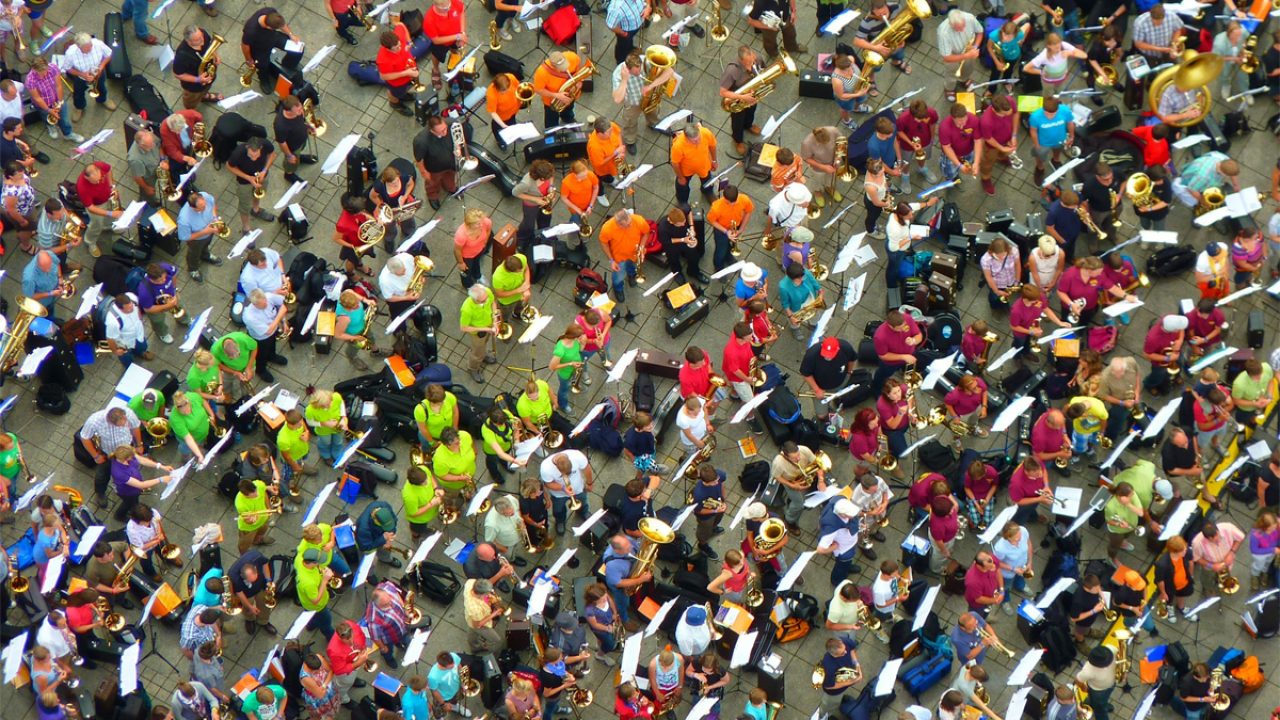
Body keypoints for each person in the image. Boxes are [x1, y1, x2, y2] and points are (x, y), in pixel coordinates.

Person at [611, 49, 668, 155]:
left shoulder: (645, 61)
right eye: (635, 72)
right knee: (630, 122)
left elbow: (669, 72)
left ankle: (655, 124)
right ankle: (630, 141)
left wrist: (651, 86)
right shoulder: (618, 74)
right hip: (633, 102)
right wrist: (624, 80)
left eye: (639, 70)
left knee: (654, 112)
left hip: (649, 96)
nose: (638, 73)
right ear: (628, 69)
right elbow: (617, 99)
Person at [598, 209, 649, 322]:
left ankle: (632, 275)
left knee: (632, 267)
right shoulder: (608, 228)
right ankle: (618, 288)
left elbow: (646, 233)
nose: (630, 226)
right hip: (619, 258)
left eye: (630, 223)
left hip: (634, 254)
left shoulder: (637, 220)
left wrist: (641, 247)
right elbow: (603, 242)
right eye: (627, 225)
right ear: (619, 224)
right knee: (618, 277)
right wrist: (611, 261)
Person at [25, 57, 84, 143]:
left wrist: (59, 102)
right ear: (34, 70)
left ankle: (68, 134)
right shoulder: (30, 80)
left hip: (57, 100)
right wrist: (49, 110)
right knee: (46, 116)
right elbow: (37, 98)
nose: (44, 74)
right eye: (41, 73)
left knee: (64, 118)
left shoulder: (53, 68)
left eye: (45, 71)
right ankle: (50, 126)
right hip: (43, 104)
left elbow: (58, 86)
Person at [720, 46, 764, 157]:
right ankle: (738, 140)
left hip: (752, 94)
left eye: (752, 61)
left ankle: (748, 125)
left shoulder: (757, 58)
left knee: (751, 111)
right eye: (747, 64)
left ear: (753, 54)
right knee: (737, 121)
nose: (750, 66)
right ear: (740, 60)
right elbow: (723, 92)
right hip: (737, 99)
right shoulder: (732, 70)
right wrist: (743, 97)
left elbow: (762, 72)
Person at [63, 33, 117, 120]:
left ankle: (103, 99)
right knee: (78, 93)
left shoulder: (98, 44)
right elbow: (67, 68)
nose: (90, 49)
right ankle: (79, 108)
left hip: (98, 73)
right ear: (78, 47)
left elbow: (109, 54)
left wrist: (101, 66)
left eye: (90, 46)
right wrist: (82, 74)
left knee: (102, 87)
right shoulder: (70, 53)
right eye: (87, 48)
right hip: (81, 77)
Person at [176, 190, 226, 283]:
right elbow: (184, 237)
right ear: (192, 208)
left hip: (210, 230)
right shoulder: (184, 219)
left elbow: (213, 205)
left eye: (204, 205)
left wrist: (214, 218)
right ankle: (193, 269)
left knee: (206, 244)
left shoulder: (205, 196)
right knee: (194, 254)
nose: (204, 208)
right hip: (196, 240)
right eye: (201, 208)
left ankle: (205, 255)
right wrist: (205, 231)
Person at [602, 535, 650, 629]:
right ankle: (625, 620)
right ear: (617, 551)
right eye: (627, 548)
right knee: (623, 603)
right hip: (620, 588)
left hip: (630, 571)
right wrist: (640, 580)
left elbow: (637, 547)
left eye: (629, 544)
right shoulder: (612, 566)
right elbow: (618, 583)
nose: (631, 547)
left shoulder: (627, 540)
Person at [540, 449, 593, 536]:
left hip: (578, 489)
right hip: (559, 495)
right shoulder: (546, 468)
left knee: (583, 501)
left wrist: (590, 483)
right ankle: (560, 521)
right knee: (558, 510)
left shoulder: (576, 455)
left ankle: (584, 512)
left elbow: (586, 468)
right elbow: (548, 484)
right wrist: (563, 488)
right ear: (557, 466)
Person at [375, 19, 418, 115]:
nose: (400, 48)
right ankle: (395, 103)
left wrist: (409, 41)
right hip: (398, 82)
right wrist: (406, 73)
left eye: (399, 45)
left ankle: (403, 95)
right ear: (387, 48)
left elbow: (401, 25)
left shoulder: (397, 37)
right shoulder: (383, 60)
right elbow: (384, 76)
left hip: (409, 69)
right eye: (396, 48)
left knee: (405, 89)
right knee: (394, 93)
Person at [976, 94, 1017, 196]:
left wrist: (1014, 135)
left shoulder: (1009, 101)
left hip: (1007, 138)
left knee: (1004, 153)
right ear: (995, 110)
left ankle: (1001, 158)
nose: (1008, 114)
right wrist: (1001, 148)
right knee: (987, 162)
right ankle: (985, 177)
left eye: (1009, 112)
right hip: (991, 146)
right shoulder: (986, 121)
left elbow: (1016, 114)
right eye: (1004, 114)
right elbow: (988, 138)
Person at [421, 0, 466, 91]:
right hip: (441, 42)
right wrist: (457, 36)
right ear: (436, 5)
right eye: (445, 8)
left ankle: (454, 64)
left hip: (456, 37)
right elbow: (436, 40)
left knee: (455, 52)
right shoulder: (429, 20)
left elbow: (461, 12)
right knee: (437, 55)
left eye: (449, 5)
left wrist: (462, 32)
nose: (449, 9)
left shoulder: (454, 2)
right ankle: (436, 70)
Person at [533, 50, 584, 128]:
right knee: (551, 118)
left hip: (570, 94)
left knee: (569, 109)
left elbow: (579, 70)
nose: (565, 69)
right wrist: (556, 95)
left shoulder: (572, 57)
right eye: (561, 68)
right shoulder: (541, 73)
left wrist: (579, 81)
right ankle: (552, 130)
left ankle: (568, 119)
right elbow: (538, 90)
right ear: (553, 66)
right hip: (552, 101)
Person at [1190, 521, 1244, 593]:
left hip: (1227, 564)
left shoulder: (1228, 528)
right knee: (1207, 579)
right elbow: (1197, 558)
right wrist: (1212, 566)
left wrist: (1231, 552)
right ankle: (1208, 589)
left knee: (1226, 576)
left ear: (1217, 530)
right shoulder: (1197, 543)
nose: (1217, 541)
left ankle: (1221, 582)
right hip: (1209, 567)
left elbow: (1240, 538)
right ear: (1206, 538)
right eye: (1212, 540)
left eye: (1217, 536)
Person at [1154, 536, 1197, 623]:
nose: (1186, 551)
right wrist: (1163, 592)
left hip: (1184, 582)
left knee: (1182, 595)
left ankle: (1181, 607)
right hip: (1169, 587)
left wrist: (1191, 576)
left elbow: (1190, 561)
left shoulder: (1185, 552)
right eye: (1183, 550)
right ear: (1174, 551)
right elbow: (1160, 580)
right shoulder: (1162, 564)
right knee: (1168, 599)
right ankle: (1170, 608)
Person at [817, 636, 861, 717]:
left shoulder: (844, 641)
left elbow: (851, 650)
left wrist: (857, 664)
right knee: (829, 706)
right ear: (834, 655)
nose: (845, 652)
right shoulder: (828, 667)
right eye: (842, 653)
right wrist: (852, 681)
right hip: (834, 692)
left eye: (844, 649)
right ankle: (822, 717)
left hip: (843, 678)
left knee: (837, 702)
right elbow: (829, 686)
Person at [548, 324, 585, 414]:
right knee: (564, 390)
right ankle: (563, 405)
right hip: (565, 373)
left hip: (575, 367)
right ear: (574, 337)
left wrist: (583, 343)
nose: (583, 337)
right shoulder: (560, 350)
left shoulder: (576, 341)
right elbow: (551, 367)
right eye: (581, 336)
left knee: (574, 380)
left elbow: (580, 350)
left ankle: (574, 384)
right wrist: (570, 363)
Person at [427, 653, 474, 719]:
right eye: (451, 666)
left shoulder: (453, 656)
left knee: (455, 701)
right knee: (439, 711)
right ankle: (440, 717)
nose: (454, 666)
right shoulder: (433, 677)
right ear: (442, 666)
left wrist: (463, 682)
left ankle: (455, 707)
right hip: (443, 697)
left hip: (456, 689)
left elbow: (460, 667)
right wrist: (443, 704)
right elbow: (435, 691)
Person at [463, 578, 503, 653]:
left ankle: (474, 647)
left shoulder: (471, 583)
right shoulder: (475, 609)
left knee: (472, 632)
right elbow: (477, 625)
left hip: (472, 619)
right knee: (497, 640)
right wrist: (494, 614)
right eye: (487, 593)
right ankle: (489, 651)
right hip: (478, 623)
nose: (489, 594)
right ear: (481, 594)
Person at [486, 73, 522, 150]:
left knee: (512, 122)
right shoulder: (491, 94)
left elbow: (519, 87)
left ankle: (514, 133)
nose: (507, 91)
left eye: (508, 88)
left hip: (513, 111)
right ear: (496, 87)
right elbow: (493, 112)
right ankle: (500, 141)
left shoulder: (511, 77)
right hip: (502, 117)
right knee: (498, 130)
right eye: (503, 90)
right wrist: (503, 125)